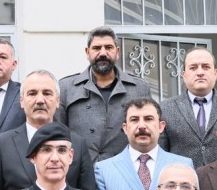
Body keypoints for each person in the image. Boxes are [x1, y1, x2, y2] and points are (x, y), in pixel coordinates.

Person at [0, 71, 97, 190]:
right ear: (22, 101)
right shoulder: (1, 145)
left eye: (47, 93)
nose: (40, 100)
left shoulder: (77, 144)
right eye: (32, 93)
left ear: (58, 101)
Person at [58, 27, 149, 161]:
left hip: (124, 170)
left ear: (117, 52)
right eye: (96, 48)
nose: (103, 53)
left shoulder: (139, 88)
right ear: (87, 52)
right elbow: (58, 134)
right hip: (80, 171)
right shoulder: (66, 87)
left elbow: (151, 132)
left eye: (108, 47)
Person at [158, 49, 217, 169]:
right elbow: (160, 154)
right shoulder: (165, 108)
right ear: (184, 75)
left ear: (215, 73)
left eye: (206, 67)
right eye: (193, 67)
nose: (200, 72)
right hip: (183, 184)